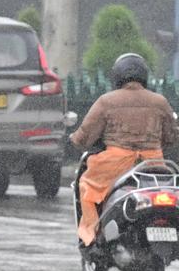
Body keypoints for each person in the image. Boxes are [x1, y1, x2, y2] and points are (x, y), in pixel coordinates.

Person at [71, 53, 177, 247]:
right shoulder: (160, 101)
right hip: (154, 164)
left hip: (114, 164)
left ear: (117, 76)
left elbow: (85, 136)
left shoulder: (106, 101)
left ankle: (91, 236)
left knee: (87, 185)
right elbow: (171, 137)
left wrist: (74, 138)